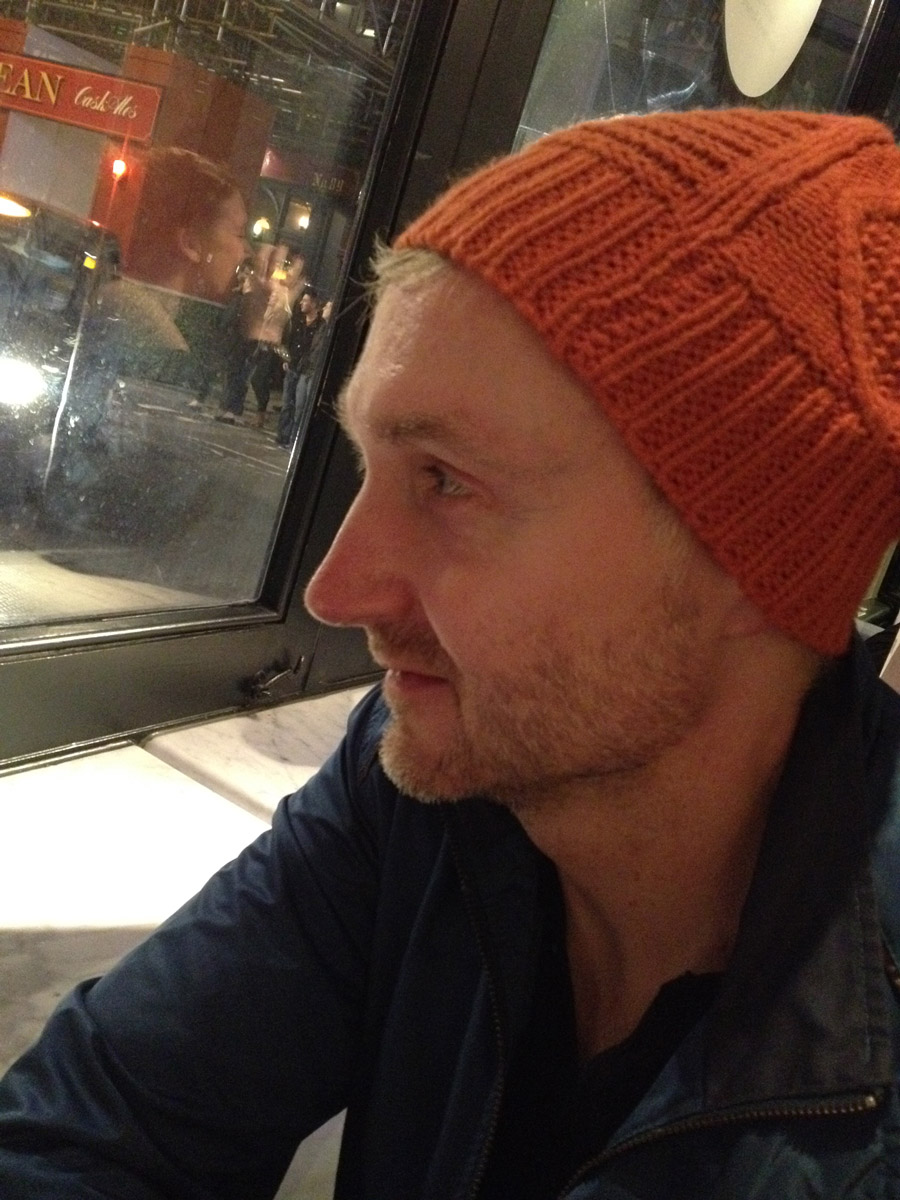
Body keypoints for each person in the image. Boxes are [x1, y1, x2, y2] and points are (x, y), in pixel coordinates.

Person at [4, 107, 900, 1198]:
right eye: (369, 465)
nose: (335, 592)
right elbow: (94, 1129)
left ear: (749, 561)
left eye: (446, 482)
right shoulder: (433, 775)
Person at [276, 283, 325, 447]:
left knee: (299, 406)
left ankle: (293, 438)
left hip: (305, 370)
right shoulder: (297, 322)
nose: (302, 303)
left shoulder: (320, 326)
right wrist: (285, 359)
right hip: (292, 366)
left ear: (314, 304)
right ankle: (283, 435)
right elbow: (286, 341)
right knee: (286, 403)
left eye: (305, 300)